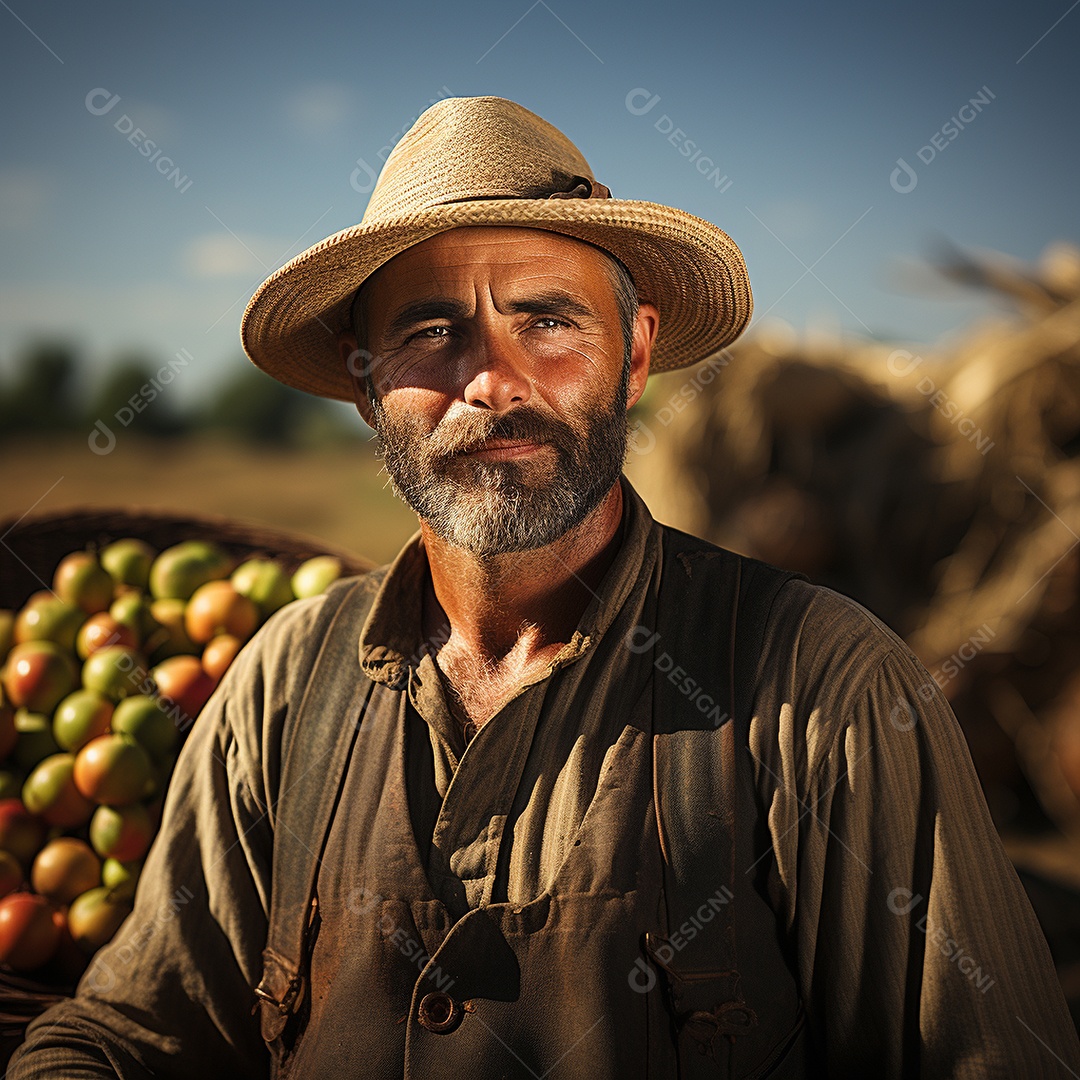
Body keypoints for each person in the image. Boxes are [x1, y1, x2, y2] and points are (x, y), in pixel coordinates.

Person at [9, 96, 1080, 1079]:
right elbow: (136, 1033)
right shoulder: (283, 689)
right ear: (365, 378)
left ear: (636, 354)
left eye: (548, 321)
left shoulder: (826, 693)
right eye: (430, 331)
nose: (491, 381)